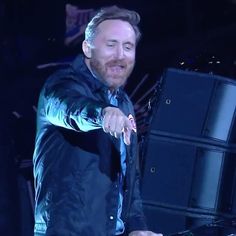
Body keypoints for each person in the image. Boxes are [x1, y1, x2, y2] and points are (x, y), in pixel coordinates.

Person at [33, 5, 163, 236]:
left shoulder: (124, 104)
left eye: (128, 47)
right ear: (88, 48)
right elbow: (70, 109)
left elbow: (130, 183)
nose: (120, 55)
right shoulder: (61, 85)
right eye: (111, 45)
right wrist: (102, 113)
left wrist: (137, 227)